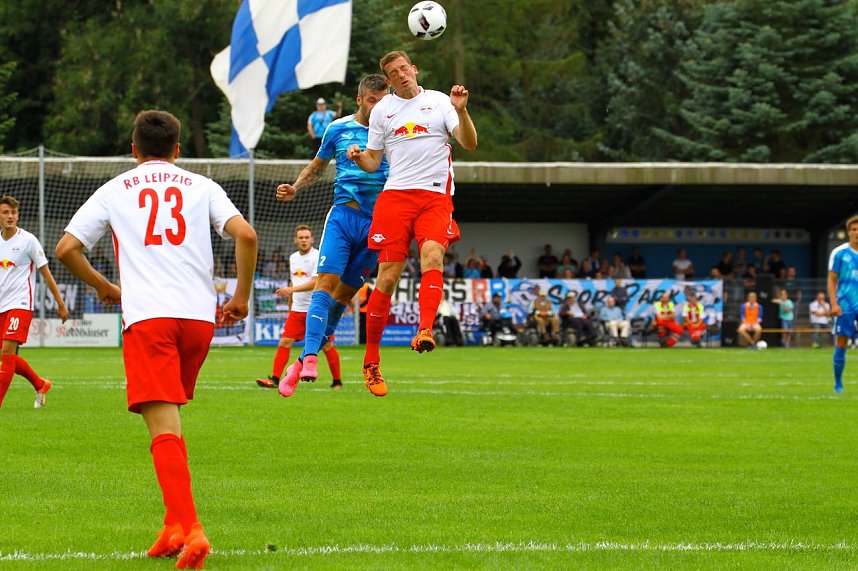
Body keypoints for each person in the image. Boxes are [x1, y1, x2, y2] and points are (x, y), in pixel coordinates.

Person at [55, 110, 257, 569]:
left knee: (161, 428)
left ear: (133, 149)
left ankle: (193, 530)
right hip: (197, 322)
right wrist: (240, 297)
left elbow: (67, 249)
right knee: (171, 417)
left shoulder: (113, 189)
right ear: (178, 150)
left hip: (149, 319)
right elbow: (245, 234)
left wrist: (104, 287)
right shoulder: (202, 185)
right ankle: (171, 527)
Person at [347, 50, 478, 389]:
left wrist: (462, 111)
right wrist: (361, 158)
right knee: (387, 277)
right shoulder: (383, 112)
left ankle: (424, 329)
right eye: (394, 72)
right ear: (388, 80)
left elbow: (469, 142)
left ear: (414, 69)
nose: (402, 74)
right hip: (395, 199)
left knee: (433, 256)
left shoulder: (440, 102)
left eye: (405, 68)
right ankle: (371, 363)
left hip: (434, 197)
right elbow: (375, 162)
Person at [265, 75, 390, 397]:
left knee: (343, 299)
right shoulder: (337, 129)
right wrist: (295, 186)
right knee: (325, 283)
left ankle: (297, 364)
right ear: (360, 99)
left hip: (377, 224)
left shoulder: (393, 130)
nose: (380, 106)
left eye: (384, 99)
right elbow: (317, 167)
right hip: (343, 217)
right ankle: (309, 358)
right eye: (374, 100)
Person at [0, 195, 69, 410]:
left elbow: (46, 274)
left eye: (13, 213)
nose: (10, 216)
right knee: (6, 355)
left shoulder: (28, 240)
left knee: (7, 353)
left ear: (18, 215)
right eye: (5, 213)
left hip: (20, 304)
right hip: (2, 305)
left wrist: (60, 303)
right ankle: (40, 384)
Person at [255, 225, 342, 392]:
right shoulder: (293, 258)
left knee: (326, 345)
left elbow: (316, 282)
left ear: (312, 239)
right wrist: (290, 303)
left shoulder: (318, 256)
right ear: (295, 240)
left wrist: (291, 290)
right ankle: (274, 379)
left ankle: (337, 381)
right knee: (285, 341)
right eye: (301, 237)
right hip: (297, 309)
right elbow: (293, 282)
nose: (303, 240)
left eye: (306, 237)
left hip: (315, 308)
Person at [828, 215, 858, 392]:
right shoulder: (839, 253)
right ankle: (838, 383)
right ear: (848, 232)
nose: (856, 233)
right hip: (845, 305)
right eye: (853, 229)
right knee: (842, 342)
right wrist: (833, 303)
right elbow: (831, 280)